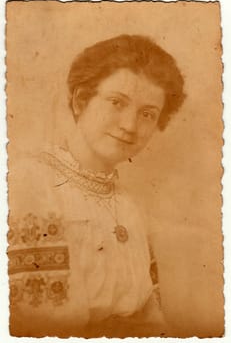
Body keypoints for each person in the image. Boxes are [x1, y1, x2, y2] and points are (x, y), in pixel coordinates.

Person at [8, 34, 185, 338]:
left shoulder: (129, 205)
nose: (130, 126)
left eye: (147, 114)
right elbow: (47, 323)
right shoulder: (29, 183)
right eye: (117, 102)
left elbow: (152, 318)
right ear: (80, 100)